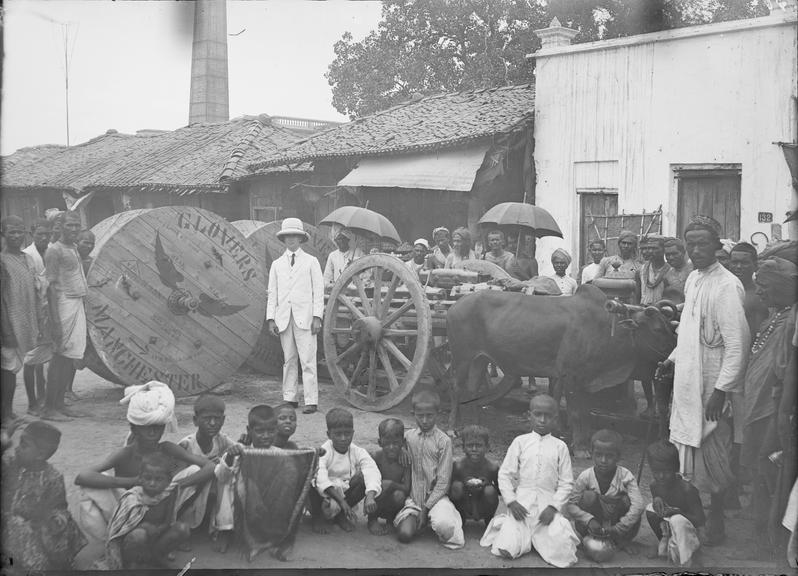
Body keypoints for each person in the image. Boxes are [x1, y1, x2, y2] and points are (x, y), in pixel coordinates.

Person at [656, 215, 749, 545]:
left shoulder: (727, 286)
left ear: (717, 244)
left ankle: (719, 519)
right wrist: (670, 360)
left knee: (715, 457)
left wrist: (721, 392)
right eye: (690, 243)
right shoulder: (694, 279)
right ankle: (696, 516)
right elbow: (688, 330)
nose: (696, 249)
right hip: (687, 382)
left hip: (712, 388)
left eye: (703, 243)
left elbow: (738, 345)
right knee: (688, 455)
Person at [74, 382, 215, 542]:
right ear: (134, 429)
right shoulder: (125, 453)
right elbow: (81, 477)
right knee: (90, 486)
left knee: (195, 470)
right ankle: (109, 540)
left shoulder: (167, 449)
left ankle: (163, 531)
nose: (153, 431)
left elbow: (210, 467)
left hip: (161, 509)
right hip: (127, 511)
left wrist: (176, 486)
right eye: (147, 427)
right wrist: (134, 482)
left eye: (158, 426)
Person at [480, 394, 578, 566]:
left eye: (547, 416)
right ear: (529, 416)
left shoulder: (560, 447)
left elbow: (566, 482)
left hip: (547, 507)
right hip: (522, 506)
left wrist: (553, 507)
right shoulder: (520, 442)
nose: (542, 420)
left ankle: (538, 539)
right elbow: (504, 474)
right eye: (537, 414)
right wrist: (511, 502)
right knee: (506, 549)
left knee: (563, 554)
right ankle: (521, 536)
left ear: (555, 418)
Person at [740, 257, 797, 552]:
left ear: (780, 287)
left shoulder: (791, 322)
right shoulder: (773, 318)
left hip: (776, 412)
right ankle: (761, 533)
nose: (758, 291)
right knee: (758, 471)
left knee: (769, 470)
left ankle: (769, 539)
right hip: (758, 409)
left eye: (763, 286)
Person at [2, 420, 87, 570]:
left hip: (36, 531)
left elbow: (58, 507)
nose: (17, 449)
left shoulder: (53, 478)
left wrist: (52, 520)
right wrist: (4, 439)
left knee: (61, 527)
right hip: (9, 526)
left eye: (24, 445)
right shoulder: (11, 464)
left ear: (40, 455)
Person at [267, 218, 324, 414]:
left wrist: (317, 316)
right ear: (283, 239)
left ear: (301, 238)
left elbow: (318, 291)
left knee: (308, 359)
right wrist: (271, 319)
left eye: (295, 236)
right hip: (284, 318)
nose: (291, 239)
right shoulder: (277, 264)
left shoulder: (311, 262)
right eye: (287, 236)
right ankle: (290, 398)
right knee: (289, 359)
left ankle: (311, 401)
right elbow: (272, 293)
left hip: (306, 318)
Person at [393, 388, 464, 549]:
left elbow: (443, 481)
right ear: (413, 413)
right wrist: (402, 448)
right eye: (420, 416)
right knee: (404, 535)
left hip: (435, 499)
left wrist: (426, 509)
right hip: (413, 498)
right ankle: (417, 519)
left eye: (429, 416)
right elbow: (394, 443)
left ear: (437, 414)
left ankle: (437, 517)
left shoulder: (443, 441)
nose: (425, 420)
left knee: (445, 528)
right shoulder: (408, 437)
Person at [102, 452, 189, 569]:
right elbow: (122, 530)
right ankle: (133, 564)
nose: (152, 483)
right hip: (134, 541)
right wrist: (145, 526)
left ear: (168, 481)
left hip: (157, 535)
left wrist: (159, 529)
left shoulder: (169, 492)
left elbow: (168, 521)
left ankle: (156, 557)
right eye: (147, 478)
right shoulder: (132, 498)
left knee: (182, 529)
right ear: (140, 478)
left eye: (158, 479)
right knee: (139, 535)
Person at [566, 429, 644, 553]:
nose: (603, 460)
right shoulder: (586, 476)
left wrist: (619, 528)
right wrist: (588, 519)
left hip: (617, 524)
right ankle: (590, 537)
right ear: (592, 454)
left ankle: (622, 541)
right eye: (598, 455)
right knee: (588, 496)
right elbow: (570, 504)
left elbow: (639, 505)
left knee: (628, 501)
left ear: (618, 456)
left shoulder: (625, 476)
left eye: (609, 456)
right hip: (594, 522)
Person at [42, 210, 87, 421]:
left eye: (77, 225)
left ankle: (60, 404)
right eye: (70, 225)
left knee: (69, 358)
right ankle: (49, 408)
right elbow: (50, 287)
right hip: (62, 304)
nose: (75, 229)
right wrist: (56, 321)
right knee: (58, 357)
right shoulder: (54, 251)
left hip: (76, 302)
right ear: (60, 227)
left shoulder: (74, 248)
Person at [177, 394, 236, 550]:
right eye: (206, 419)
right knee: (199, 471)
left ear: (223, 420)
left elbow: (237, 453)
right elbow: (177, 482)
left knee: (228, 475)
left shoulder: (222, 440)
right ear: (195, 420)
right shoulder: (186, 445)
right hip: (187, 495)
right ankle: (181, 530)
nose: (212, 423)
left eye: (217, 419)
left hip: (208, 494)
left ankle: (222, 529)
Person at [1, 216, 44, 424]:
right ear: (3, 234)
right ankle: (6, 414)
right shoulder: (2, 261)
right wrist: (6, 330)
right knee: (8, 369)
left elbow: (35, 292)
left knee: (18, 365)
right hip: (8, 323)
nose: (16, 236)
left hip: (26, 320)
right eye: (11, 232)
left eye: (19, 231)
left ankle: (9, 414)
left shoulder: (28, 259)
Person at [310, 408, 381, 533]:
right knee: (312, 478)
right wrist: (341, 501)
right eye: (338, 434)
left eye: (347, 434)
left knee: (362, 478)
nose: (343, 438)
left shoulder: (357, 451)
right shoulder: (324, 451)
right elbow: (321, 477)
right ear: (329, 434)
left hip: (344, 494)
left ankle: (341, 516)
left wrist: (370, 496)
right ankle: (318, 518)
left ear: (353, 433)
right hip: (325, 496)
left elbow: (371, 469)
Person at [645, 441, 704, 567]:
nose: (661, 476)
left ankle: (689, 557)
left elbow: (700, 520)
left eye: (666, 471)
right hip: (670, 529)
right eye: (656, 471)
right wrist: (656, 499)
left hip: (688, 532)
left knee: (678, 520)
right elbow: (658, 505)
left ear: (676, 468)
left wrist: (678, 512)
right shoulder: (654, 485)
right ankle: (664, 541)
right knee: (650, 509)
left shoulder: (687, 490)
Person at [22, 218, 53, 415]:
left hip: (49, 309)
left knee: (44, 356)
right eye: (39, 234)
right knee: (30, 359)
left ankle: (42, 396)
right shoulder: (27, 255)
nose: (43, 237)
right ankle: (32, 402)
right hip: (33, 310)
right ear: (32, 234)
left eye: (46, 234)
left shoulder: (52, 250)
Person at [449, 424, 499, 525]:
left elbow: (500, 491)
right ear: (463, 447)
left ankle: (489, 518)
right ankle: (460, 517)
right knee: (456, 486)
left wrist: (487, 484)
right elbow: (449, 490)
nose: (474, 449)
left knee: (490, 491)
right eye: (470, 445)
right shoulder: (458, 466)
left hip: (482, 504)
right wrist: (464, 483)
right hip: (465, 504)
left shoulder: (492, 468)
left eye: (479, 445)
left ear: (487, 447)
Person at [369, 418, 411, 535]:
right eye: (387, 443)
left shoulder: (404, 461)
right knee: (372, 487)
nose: (391, 447)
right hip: (376, 499)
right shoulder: (375, 457)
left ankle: (390, 520)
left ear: (402, 442)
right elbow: (367, 482)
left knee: (400, 495)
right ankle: (372, 520)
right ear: (379, 442)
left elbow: (407, 488)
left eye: (396, 443)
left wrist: (392, 485)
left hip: (392, 501)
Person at [729, 242, 770, 339]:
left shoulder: (759, 295)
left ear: (755, 265)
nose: (738, 267)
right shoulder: (722, 290)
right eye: (734, 262)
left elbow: (756, 336)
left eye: (744, 262)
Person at [640, 234, 671, 305]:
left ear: (664, 249)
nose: (650, 251)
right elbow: (637, 296)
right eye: (648, 248)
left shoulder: (670, 271)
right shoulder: (641, 270)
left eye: (654, 248)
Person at [662, 237, 693, 303]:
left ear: (683, 252)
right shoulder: (667, 275)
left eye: (674, 253)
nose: (671, 257)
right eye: (668, 255)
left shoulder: (694, 270)